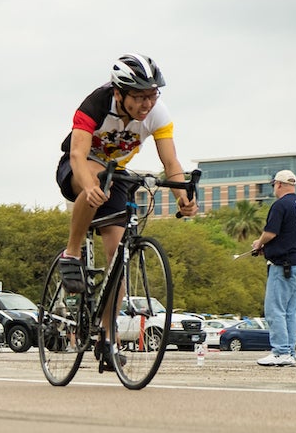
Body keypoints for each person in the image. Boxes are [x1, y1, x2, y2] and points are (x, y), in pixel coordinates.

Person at [55, 53, 198, 298]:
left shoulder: (158, 114)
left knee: (118, 262)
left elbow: (170, 160)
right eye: (140, 97)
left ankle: (109, 335)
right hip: (77, 165)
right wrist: (89, 186)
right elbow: (78, 155)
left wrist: (181, 195)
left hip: (116, 172)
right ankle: (72, 252)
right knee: (100, 183)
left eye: (152, 95)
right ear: (119, 93)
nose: (147, 104)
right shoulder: (95, 104)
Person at [251, 170, 296, 366]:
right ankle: (290, 352)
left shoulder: (280, 205)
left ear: (278, 184)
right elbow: (289, 235)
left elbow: (270, 233)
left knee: (274, 309)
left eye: (273, 185)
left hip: (285, 265)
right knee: (289, 311)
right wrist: (269, 247)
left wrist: (259, 244)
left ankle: (280, 351)